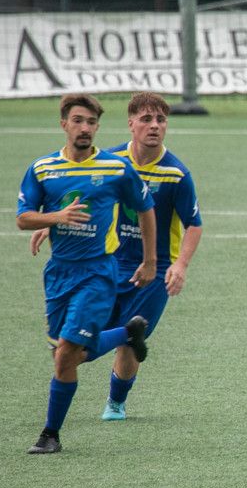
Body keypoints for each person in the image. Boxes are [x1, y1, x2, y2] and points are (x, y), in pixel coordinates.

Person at [30, 92, 203, 421]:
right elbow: (85, 198)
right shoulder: (111, 163)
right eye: (146, 119)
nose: (155, 126)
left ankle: (115, 403)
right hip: (108, 264)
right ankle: (129, 335)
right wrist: (51, 223)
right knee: (77, 348)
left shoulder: (176, 174)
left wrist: (180, 265)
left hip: (155, 269)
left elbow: (194, 224)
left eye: (161, 120)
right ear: (131, 123)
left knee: (129, 339)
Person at [17, 93, 156, 454]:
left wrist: (150, 261)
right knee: (68, 356)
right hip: (58, 273)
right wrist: (54, 218)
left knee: (66, 352)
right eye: (78, 121)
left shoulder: (115, 169)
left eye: (91, 122)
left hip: (98, 273)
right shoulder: (43, 169)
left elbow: (145, 208)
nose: (85, 128)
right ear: (63, 123)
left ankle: (50, 435)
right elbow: (23, 218)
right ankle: (127, 333)